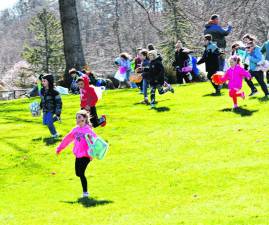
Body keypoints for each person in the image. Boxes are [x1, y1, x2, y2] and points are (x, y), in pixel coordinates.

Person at [56, 110, 97, 198]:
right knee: (78, 173)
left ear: (84, 119)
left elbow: (96, 140)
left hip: (86, 155)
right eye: (76, 117)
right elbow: (67, 139)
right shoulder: (75, 130)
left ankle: (85, 192)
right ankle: (85, 192)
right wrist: (60, 148)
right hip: (78, 154)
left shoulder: (88, 130)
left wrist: (91, 139)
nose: (77, 119)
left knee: (81, 173)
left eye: (79, 117)